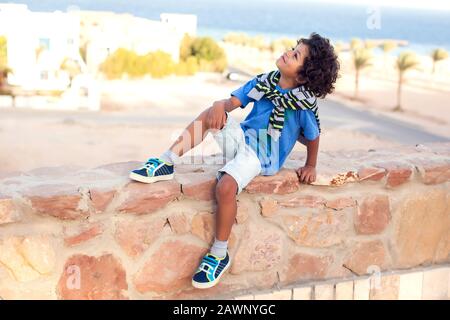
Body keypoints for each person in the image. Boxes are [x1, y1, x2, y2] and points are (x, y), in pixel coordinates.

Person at [129, 32, 340, 289]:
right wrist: (219, 105)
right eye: (293, 48)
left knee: (225, 187)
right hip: (242, 139)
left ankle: (219, 253)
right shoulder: (265, 82)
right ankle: (166, 160)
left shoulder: (303, 106)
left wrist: (311, 165)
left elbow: (313, 136)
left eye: (295, 55)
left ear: (304, 76)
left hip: (262, 157)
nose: (288, 52)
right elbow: (232, 103)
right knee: (210, 113)